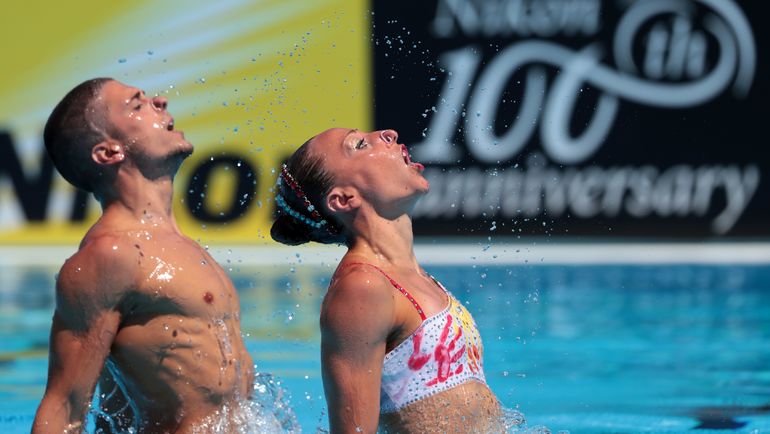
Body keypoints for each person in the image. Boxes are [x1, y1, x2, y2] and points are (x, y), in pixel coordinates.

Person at [32, 78, 260, 433]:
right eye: (136, 105)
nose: (161, 101)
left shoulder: (179, 245)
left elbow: (118, 399)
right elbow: (64, 407)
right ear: (109, 152)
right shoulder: (109, 255)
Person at [270, 128, 504, 433]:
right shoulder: (361, 287)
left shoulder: (414, 278)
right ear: (343, 199)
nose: (388, 133)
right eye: (360, 144)